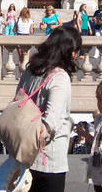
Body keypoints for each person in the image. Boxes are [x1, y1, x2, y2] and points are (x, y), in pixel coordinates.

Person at [15, 25, 80, 191]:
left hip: (23, 156)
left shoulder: (30, 70)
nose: (77, 55)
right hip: (48, 158)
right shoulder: (59, 78)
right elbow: (50, 123)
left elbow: (17, 102)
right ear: (68, 51)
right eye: (76, 50)